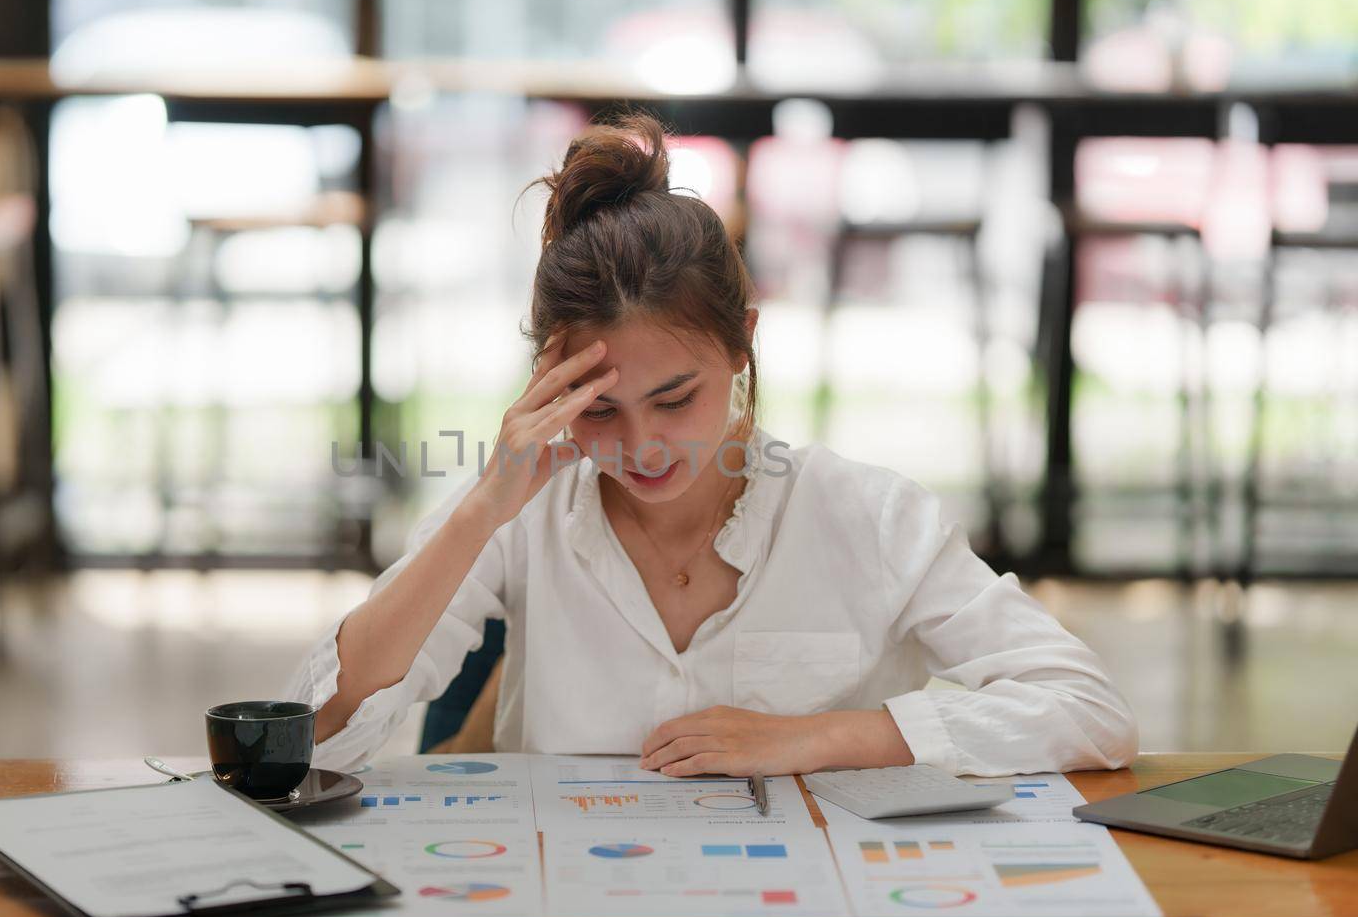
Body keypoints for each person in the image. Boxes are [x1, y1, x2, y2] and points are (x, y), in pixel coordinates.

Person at [289, 111, 1138, 779]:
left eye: (674, 397)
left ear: (742, 345)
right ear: (549, 383)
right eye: (600, 409)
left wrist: (819, 737)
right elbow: (317, 737)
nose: (641, 445)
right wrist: (482, 507)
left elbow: (1088, 707)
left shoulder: (866, 514)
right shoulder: (525, 514)